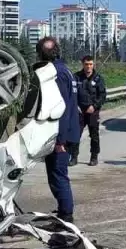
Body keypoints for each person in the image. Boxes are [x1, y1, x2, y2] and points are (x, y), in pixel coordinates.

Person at [37, 37, 81, 222]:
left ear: (41, 54)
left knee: (58, 177)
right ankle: (64, 211)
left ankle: (66, 217)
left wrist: (60, 140)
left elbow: (60, 108)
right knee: (58, 175)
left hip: (61, 135)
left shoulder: (56, 74)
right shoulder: (66, 71)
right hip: (70, 130)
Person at [71, 55, 105, 167]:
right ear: (83, 64)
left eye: (90, 64)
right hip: (79, 111)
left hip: (92, 111)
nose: (88, 66)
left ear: (93, 65)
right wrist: (75, 106)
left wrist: (94, 106)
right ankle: (74, 157)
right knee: (76, 134)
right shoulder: (76, 77)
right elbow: (72, 94)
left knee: (94, 135)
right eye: (86, 64)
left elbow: (102, 95)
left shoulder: (98, 78)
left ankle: (94, 157)